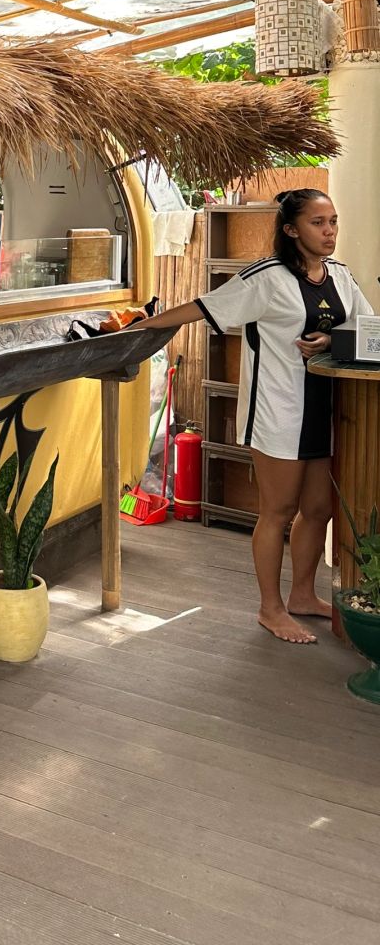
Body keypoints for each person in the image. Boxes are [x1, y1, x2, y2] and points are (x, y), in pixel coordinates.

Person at [132, 189, 374, 644]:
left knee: (318, 509)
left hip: (330, 410)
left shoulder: (340, 276)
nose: (329, 232)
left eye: (333, 222)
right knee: (278, 511)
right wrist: (138, 327)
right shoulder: (266, 277)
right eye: (318, 223)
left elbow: (365, 327)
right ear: (290, 229)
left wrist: (331, 342)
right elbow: (204, 308)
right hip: (278, 412)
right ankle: (271, 608)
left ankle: (303, 595)